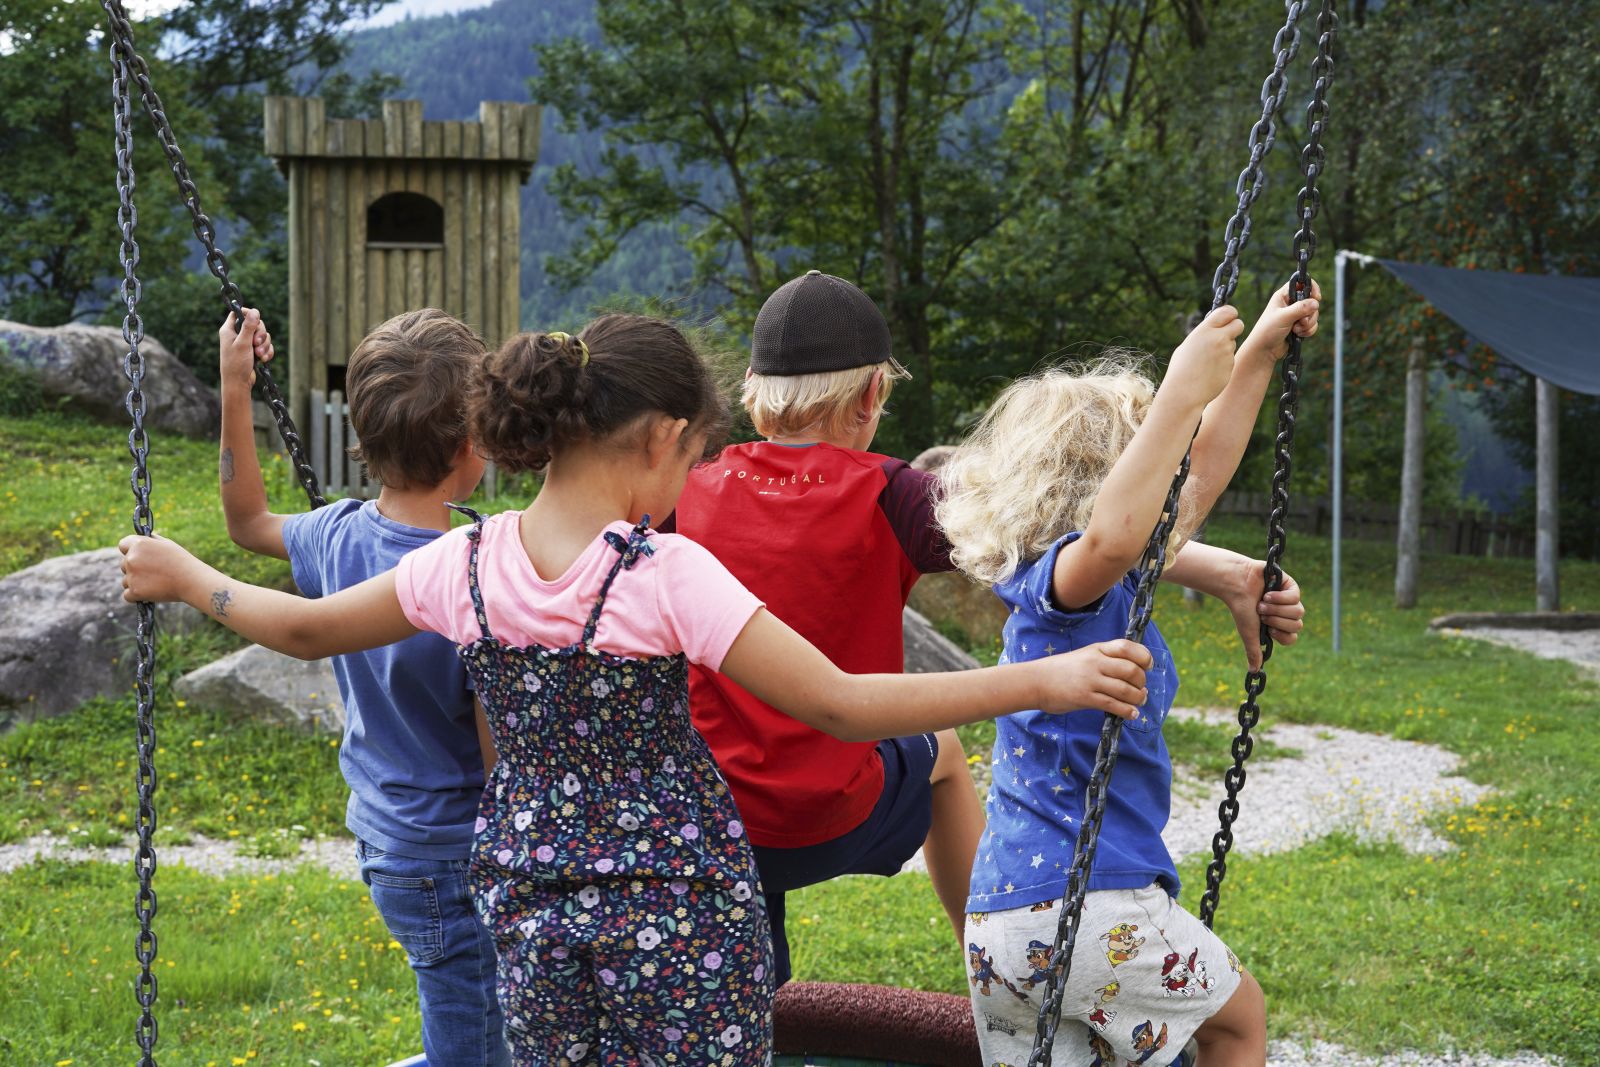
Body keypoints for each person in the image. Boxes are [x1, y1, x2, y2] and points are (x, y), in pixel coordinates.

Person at [121, 313, 1156, 1067]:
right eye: (693, 454)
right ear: (661, 436)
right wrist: (1039, 675)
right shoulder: (663, 575)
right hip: (679, 903)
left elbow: (302, 627)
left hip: (528, 899)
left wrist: (186, 577)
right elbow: (839, 702)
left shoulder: (464, 564)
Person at [935, 288, 1318, 1067]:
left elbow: (1200, 476)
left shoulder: (1083, 587)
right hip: (1089, 908)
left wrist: (1253, 361)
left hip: (1001, 926)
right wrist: (1180, 391)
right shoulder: (1072, 590)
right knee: (1237, 1021)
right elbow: (1114, 532)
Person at [668, 270, 981, 987]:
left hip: (710, 819)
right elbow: (1029, 527)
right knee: (948, 753)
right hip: (832, 815)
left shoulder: (689, 489)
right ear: (873, 394)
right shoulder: (893, 493)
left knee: (730, 750)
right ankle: (993, 970)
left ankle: (760, 988)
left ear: (751, 389)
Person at [214, 307, 507, 1065]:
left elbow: (246, 519)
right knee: (474, 1048)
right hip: (455, 855)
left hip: (386, 840)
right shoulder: (473, 574)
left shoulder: (335, 533)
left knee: (481, 1029)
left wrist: (234, 384)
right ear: (473, 443)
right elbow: (501, 763)